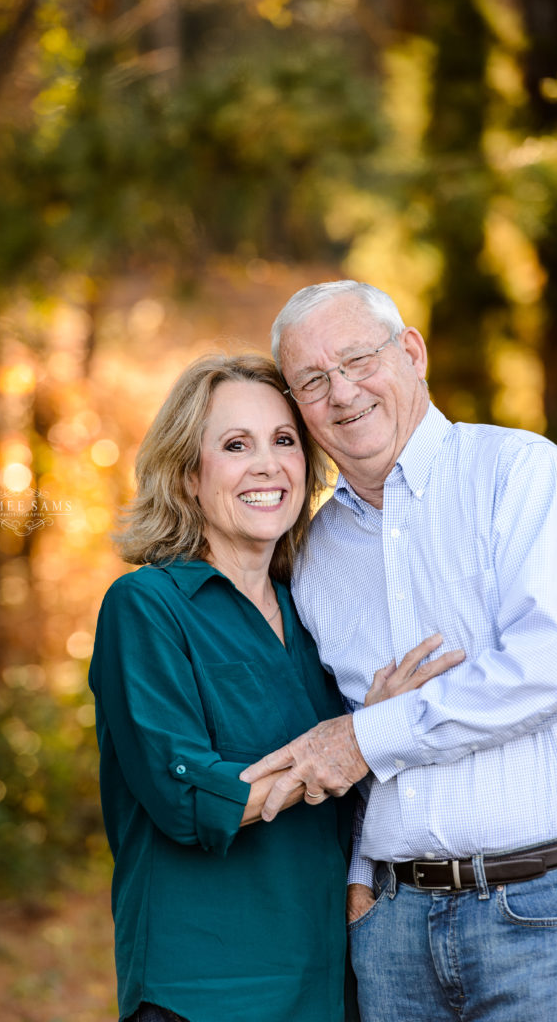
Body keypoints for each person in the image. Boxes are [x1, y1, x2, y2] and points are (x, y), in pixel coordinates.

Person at [240, 282, 557, 1022]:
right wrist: (362, 870)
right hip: (394, 930)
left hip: (554, 912)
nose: (342, 392)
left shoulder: (519, 474)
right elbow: (337, 735)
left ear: (412, 352)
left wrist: (368, 735)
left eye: (358, 359)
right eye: (312, 381)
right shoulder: (312, 553)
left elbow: (556, 665)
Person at [88, 353, 463, 1022]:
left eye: (284, 441)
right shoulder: (146, 606)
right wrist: (346, 747)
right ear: (188, 475)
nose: (267, 464)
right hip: (202, 987)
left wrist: (366, 739)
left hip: (328, 981)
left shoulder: (316, 611)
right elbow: (189, 797)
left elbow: (364, 785)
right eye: (236, 445)